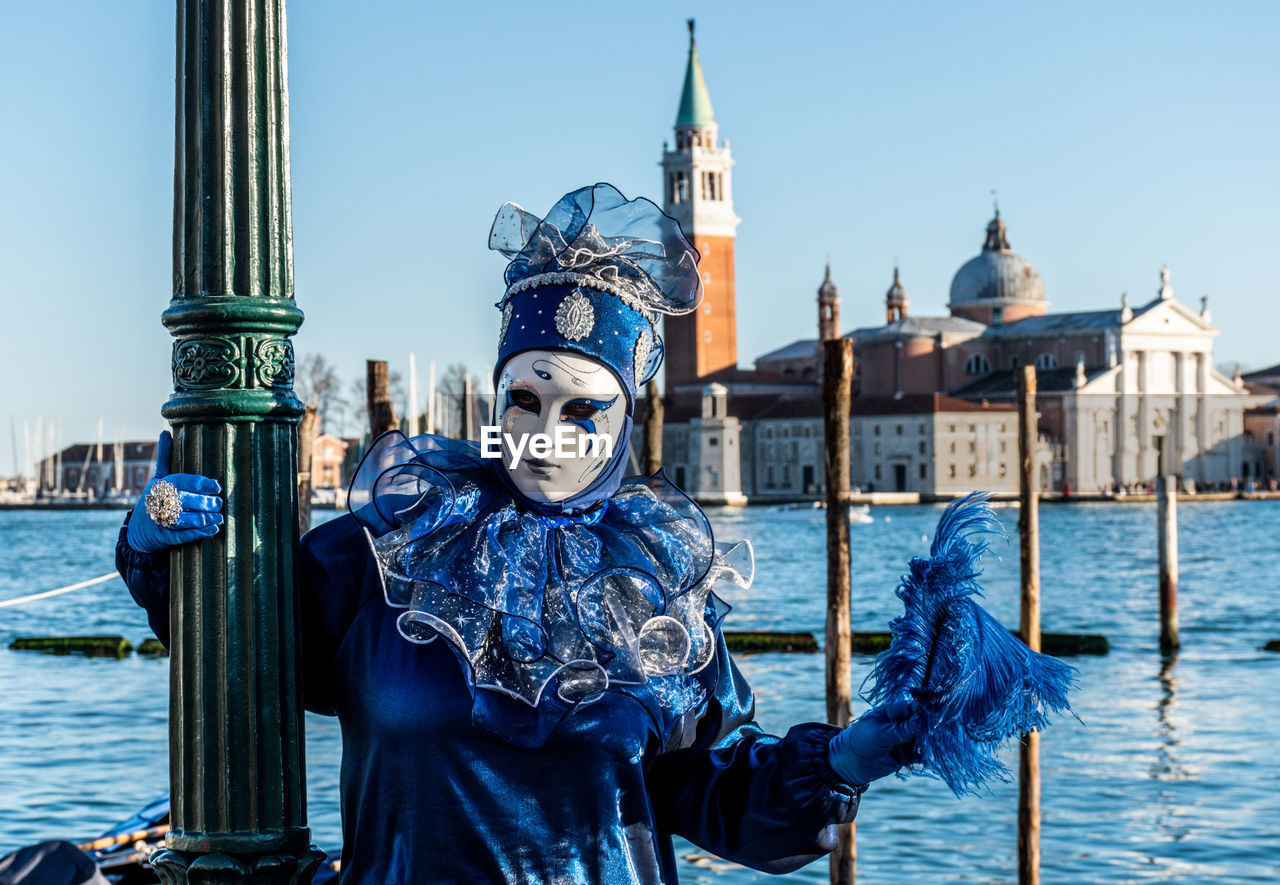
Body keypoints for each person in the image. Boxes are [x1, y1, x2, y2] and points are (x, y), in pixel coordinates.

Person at [117, 184, 917, 884]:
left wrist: (845, 760)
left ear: (626, 416)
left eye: (582, 410)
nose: (545, 434)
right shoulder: (395, 549)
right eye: (523, 399)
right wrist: (162, 556)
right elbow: (242, 652)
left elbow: (713, 795)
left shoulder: (658, 587)